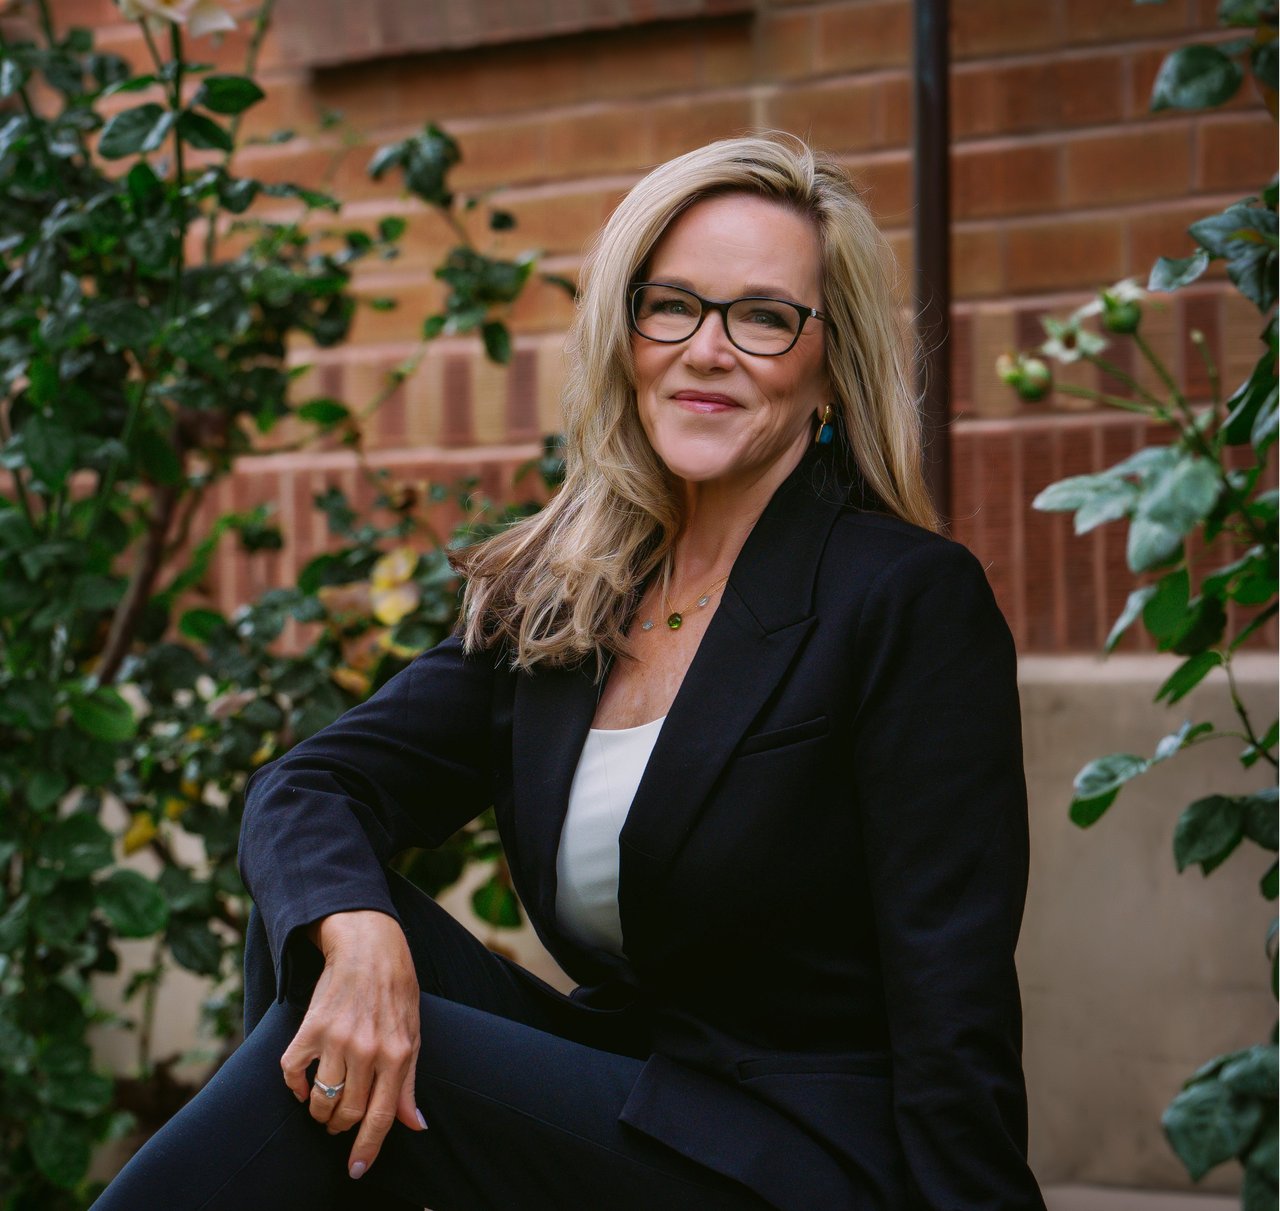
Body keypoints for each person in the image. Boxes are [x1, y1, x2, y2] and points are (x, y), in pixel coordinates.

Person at [93, 134, 1046, 1211]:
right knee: (330, 954)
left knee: (375, 1058)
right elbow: (308, 785)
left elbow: (953, 997)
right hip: (638, 1095)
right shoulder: (569, 594)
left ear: (829, 364)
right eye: (671, 305)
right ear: (624, 334)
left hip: (798, 1156)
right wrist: (356, 934)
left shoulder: (904, 599)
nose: (706, 349)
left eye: (763, 316)